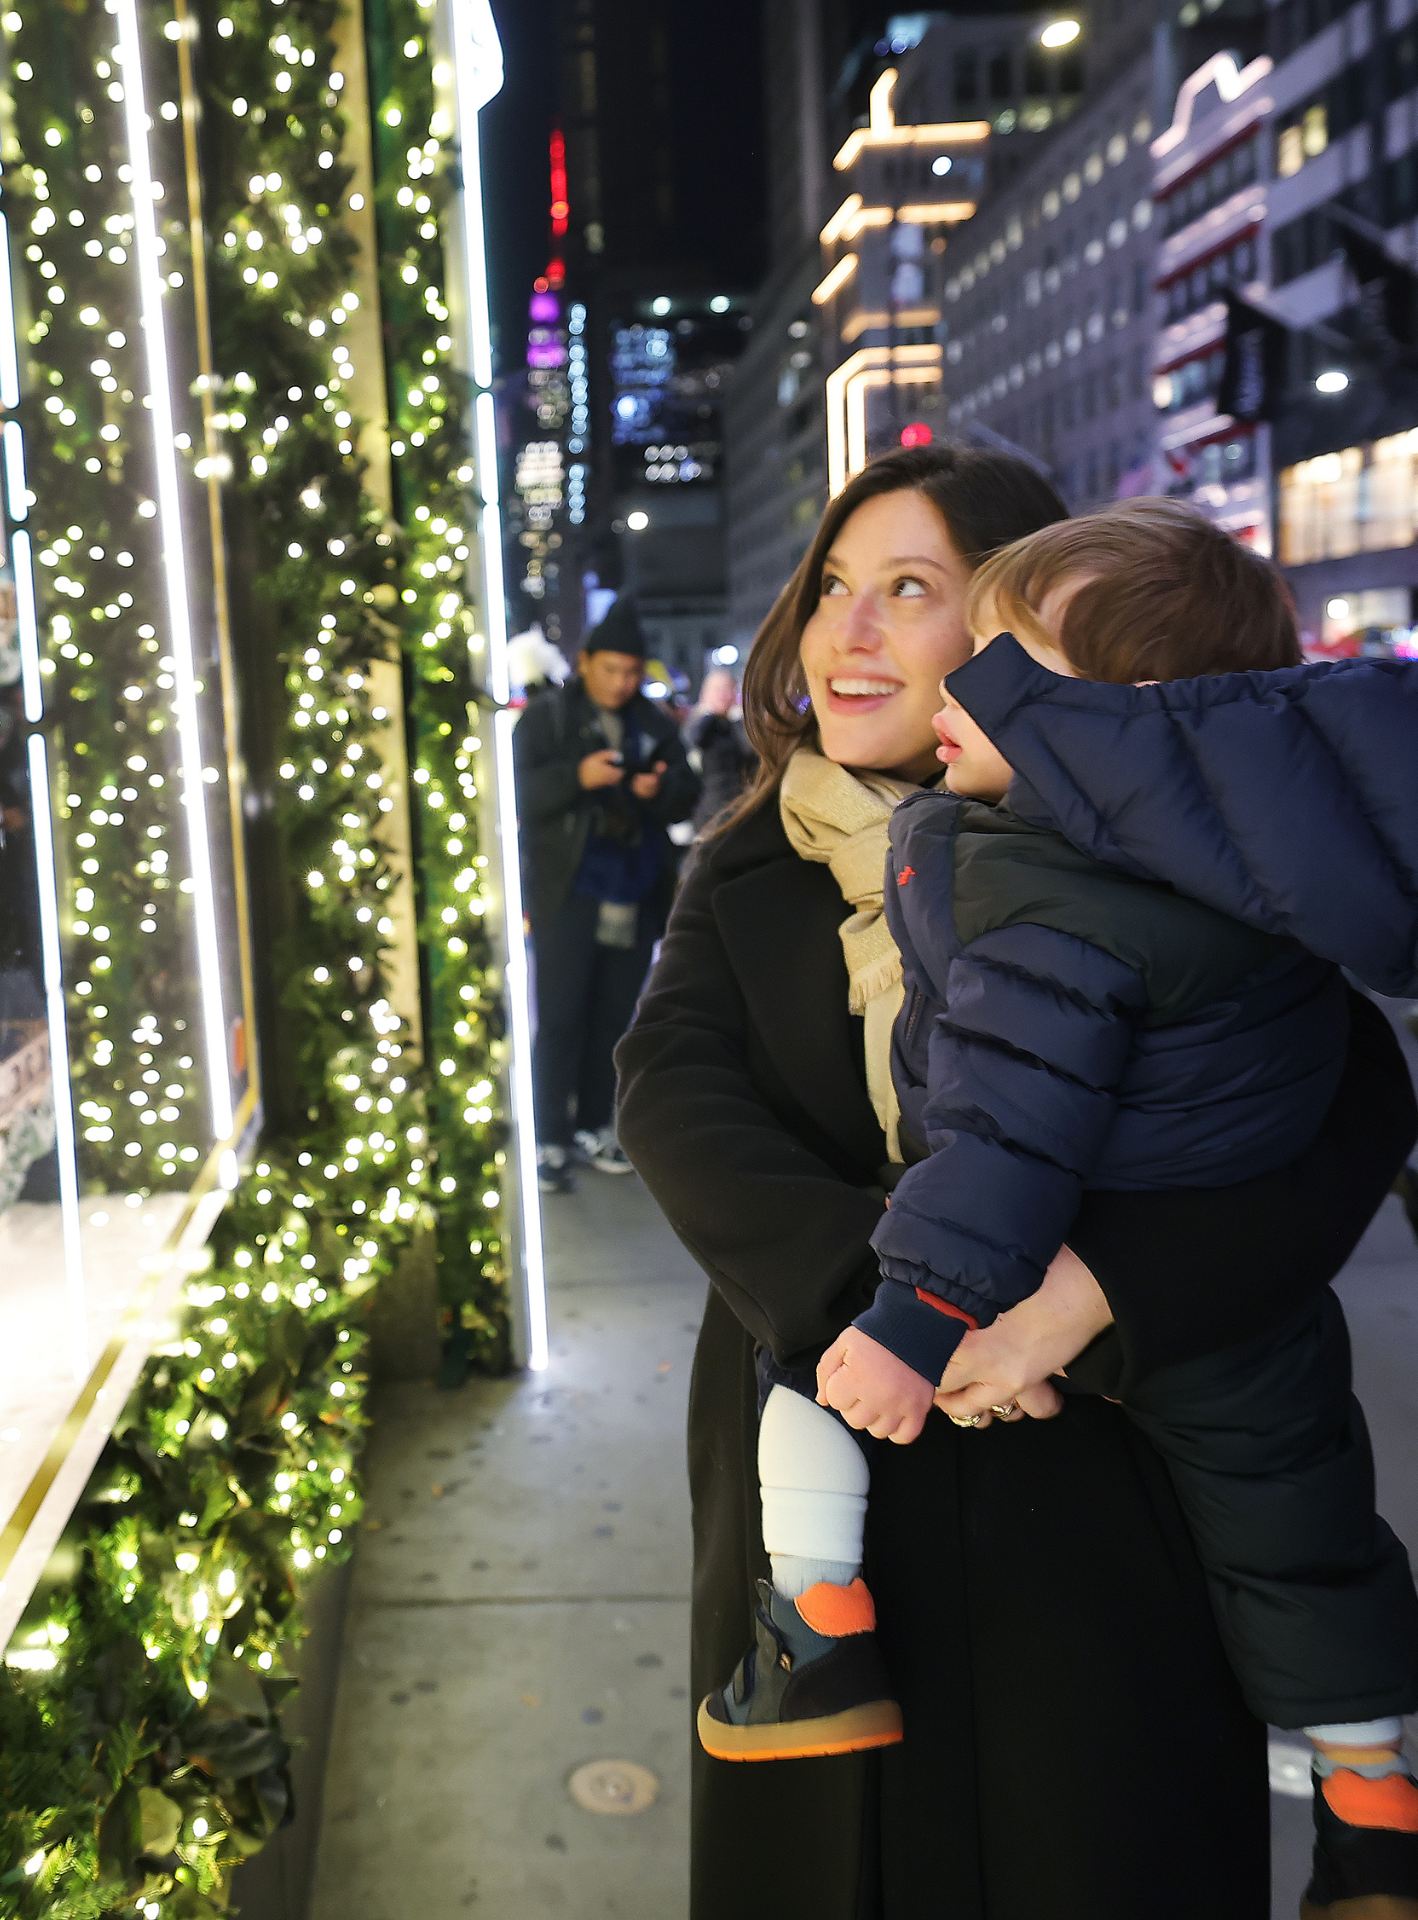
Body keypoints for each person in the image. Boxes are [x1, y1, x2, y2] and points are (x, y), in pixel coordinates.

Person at [614, 443, 1418, 1919]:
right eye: (833, 589)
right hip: (831, 1464)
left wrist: (1084, 1302)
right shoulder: (751, 870)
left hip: (1100, 1484)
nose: (844, 632)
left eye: (909, 592)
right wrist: (898, 1312)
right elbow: (677, 1107)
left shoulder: (1186, 868)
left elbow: (1347, 1112)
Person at [513, 593, 698, 1194]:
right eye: (610, 669)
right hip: (568, 891)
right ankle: (548, 1136)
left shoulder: (651, 722)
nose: (621, 684)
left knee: (613, 1018)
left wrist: (655, 792)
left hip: (636, 890)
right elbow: (519, 794)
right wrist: (578, 777)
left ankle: (595, 1124)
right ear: (585, 661)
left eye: (631, 672)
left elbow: (686, 793)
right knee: (560, 1017)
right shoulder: (549, 717)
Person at [685, 668, 757, 831]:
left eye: (728, 689)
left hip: (740, 804)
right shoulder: (701, 724)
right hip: (711, 808)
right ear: (705, 693)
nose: (723, 695)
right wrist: (709, 713)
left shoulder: (737, 725)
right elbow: (693, 740)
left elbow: (750, 751)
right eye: (717, 690)